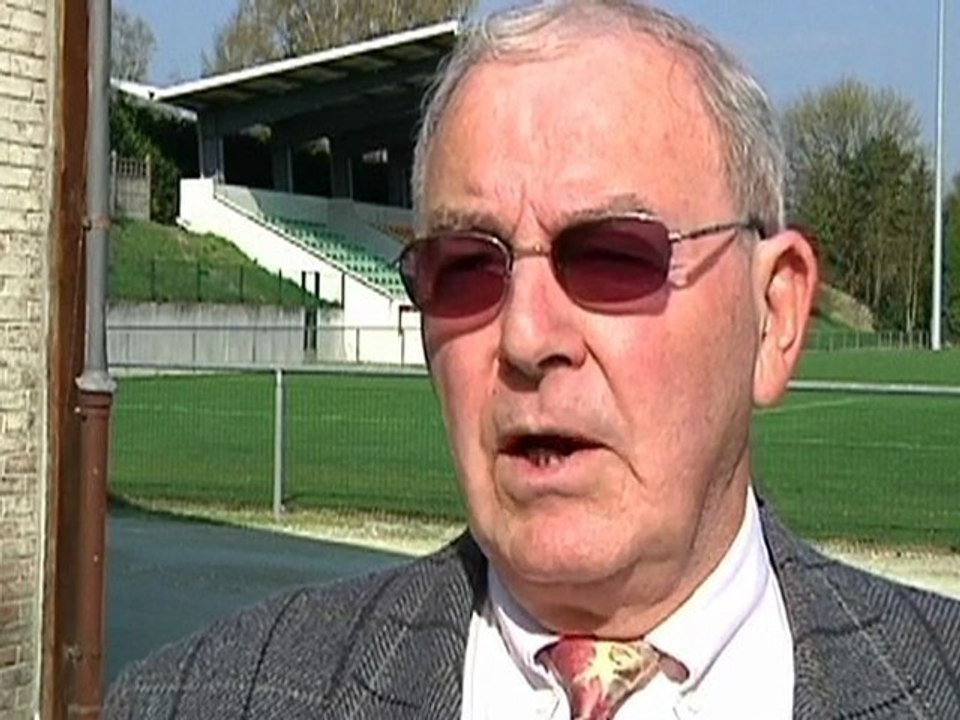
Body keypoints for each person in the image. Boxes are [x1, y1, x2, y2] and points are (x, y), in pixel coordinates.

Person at [105, 2, 960, 718]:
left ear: (774, 316)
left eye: (613, 256)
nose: (524, 336)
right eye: (466, 268)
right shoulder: (197, 698)